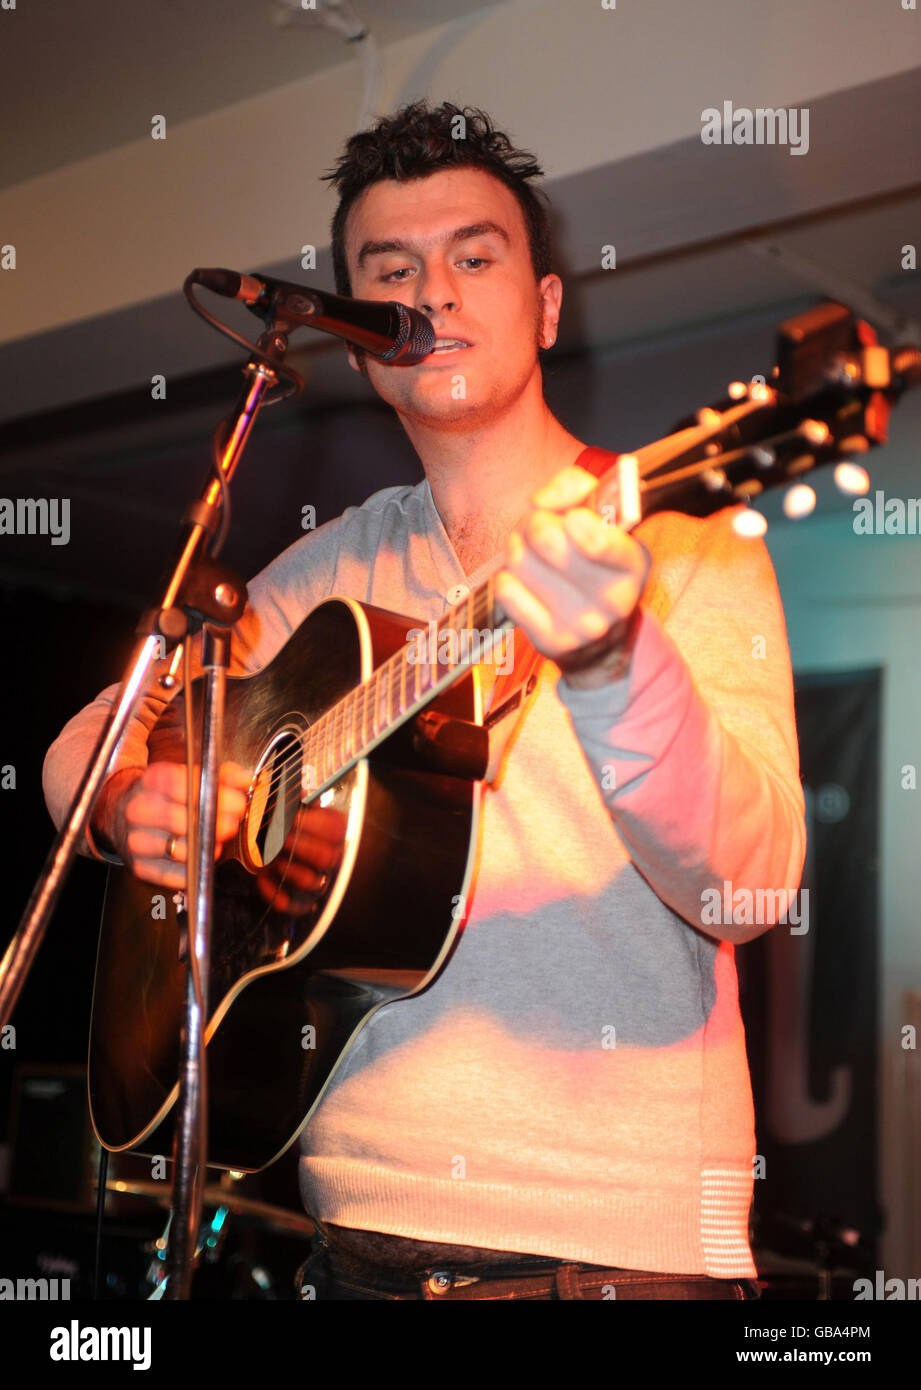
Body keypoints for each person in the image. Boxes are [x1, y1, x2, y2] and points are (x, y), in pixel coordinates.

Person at [43, 100, 806, 1300]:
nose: (432, 291)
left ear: (546, 305)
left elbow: (751, 884)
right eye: (391, 271)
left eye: (473, 257)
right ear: (358, 340)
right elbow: (101, 729)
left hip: (611, 1252)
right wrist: (127, 799)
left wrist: (611, 663)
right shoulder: (322, 573)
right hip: (349, 1243)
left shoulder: (686, 544)